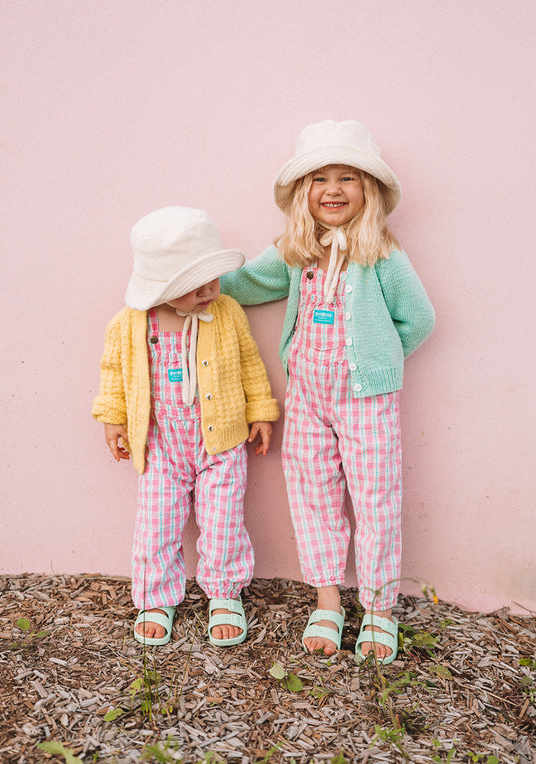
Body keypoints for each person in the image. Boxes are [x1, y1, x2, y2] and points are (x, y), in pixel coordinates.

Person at [220, 120, 435, 663]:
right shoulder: (295, 250)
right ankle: (328, 599)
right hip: (309, 398)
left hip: (365, 400)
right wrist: (193, 280)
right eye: (319, 178)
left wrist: (376, 362)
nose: (333, 190)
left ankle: (380, 609)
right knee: (312, 495)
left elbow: (419, 318)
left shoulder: (380, 253)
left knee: (375, 500)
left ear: (369, 190)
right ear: (302, 192)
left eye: (347, 178)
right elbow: (247, 284)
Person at [92, 207, 279, 648]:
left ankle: (224, 593)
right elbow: (113, 372)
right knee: (157, 524)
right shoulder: (132, 323)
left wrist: (262, 411)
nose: (211, 292)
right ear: (165, 288)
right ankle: (156, 598)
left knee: (223, 522)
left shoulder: (227, 312)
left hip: (223, 441)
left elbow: (250, 362)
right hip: (161, 445)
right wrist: (113, 418)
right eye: (197, 289)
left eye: (214, 281)